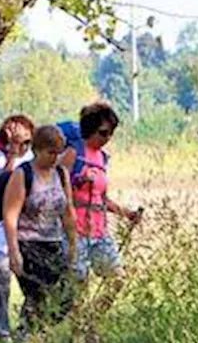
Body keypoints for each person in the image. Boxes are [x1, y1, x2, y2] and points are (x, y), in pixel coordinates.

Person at [4, 125, 78, 332]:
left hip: (53, 242)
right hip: (28, 243)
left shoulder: (61, 174)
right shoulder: (23, 174)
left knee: (66, 296)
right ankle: (32, 338)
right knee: (39, 294)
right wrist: (14, 251)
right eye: (50, 153)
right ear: (37, 150)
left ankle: (28, 331)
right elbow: (10, 214)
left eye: (58, 152)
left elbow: (68, 211)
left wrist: (73, 243)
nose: (54, 158)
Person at [60, 102, 141, 287]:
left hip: (99, 232)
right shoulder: (74, 153)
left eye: (111, 133)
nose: (108, 138)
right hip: (75, 231)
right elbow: (58, 191)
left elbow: (101, 199)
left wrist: (126, 213)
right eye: (103, 133)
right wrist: (80, 181)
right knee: (77, 287)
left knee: (118, 278)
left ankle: (94, 316)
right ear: (90, 129)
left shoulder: (102, 158)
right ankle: (77, 316)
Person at [0, 115, 34, 339]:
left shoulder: (33, 158)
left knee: (34, 287)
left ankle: (26, 330)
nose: (23, 147)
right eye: (17, 141)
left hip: (29, 231)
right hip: (1, 231)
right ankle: (1, 333)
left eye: (26, 142)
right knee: (1, 285)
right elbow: (1, 181)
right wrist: (12, 154)